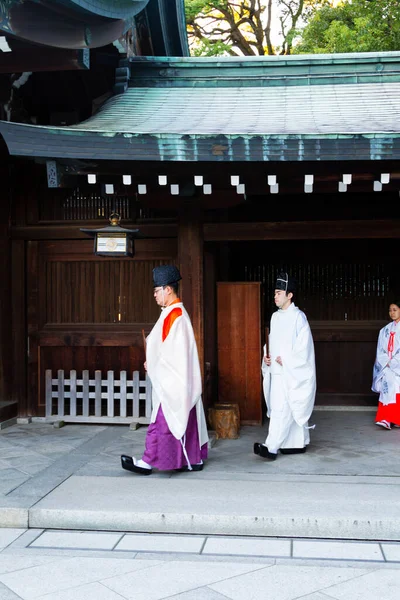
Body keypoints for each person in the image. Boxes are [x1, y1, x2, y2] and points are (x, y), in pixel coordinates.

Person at [121, 265, 208, 475]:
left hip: (174, 379)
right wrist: (153, 362)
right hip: (175, 377)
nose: (154, 294)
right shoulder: (172, 313)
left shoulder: (175, 315)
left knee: (162, 419)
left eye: (156, 290)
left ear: (168, 289)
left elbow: (174, 354)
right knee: (182, 417)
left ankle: (148, 461)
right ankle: (193, 459)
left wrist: (155, 364)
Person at [254, 272, 316, 461]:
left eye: (279, 293)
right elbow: (272, 341)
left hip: (290, 371)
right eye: (275, 293)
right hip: (277, 371)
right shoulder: (275, 317)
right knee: (281, 407)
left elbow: (304, 347)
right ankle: (295, 444)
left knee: (284, 407)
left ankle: (271, 447)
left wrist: (288, 360)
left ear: (290, 295)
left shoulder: (299, 317)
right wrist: (267, 356)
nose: (276, 296)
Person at [372, 301, 400, 430]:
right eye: (390, 310)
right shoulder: (385, 330)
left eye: (395, 310)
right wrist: (386, 361)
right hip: (387, 365)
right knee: (386, 391)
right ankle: (386, 419)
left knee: (397, 391)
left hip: (397, 366)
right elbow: (380, 349)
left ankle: (396, 419)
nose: (392, 313)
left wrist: (394, 362)